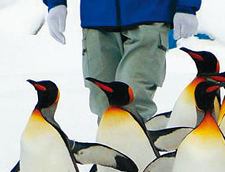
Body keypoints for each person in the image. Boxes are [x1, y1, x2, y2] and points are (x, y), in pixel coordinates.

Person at [43, 0, 202, 122]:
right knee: (103, 103)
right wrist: (55, 3)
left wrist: (187, 6)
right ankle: (111, 161)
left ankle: (136, 159)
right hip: (97, 17)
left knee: (133, 100)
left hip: (149, 15)